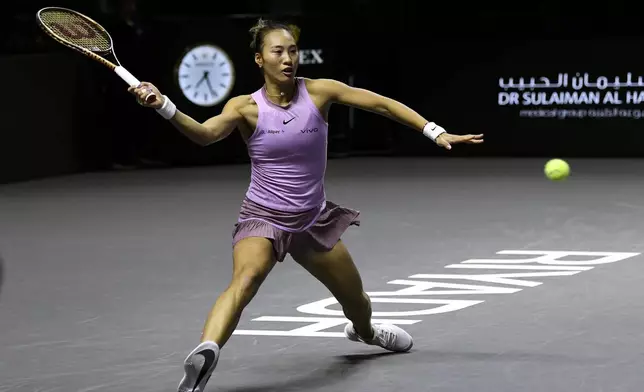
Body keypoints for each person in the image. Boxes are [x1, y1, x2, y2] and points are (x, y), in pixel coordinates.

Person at [129, 18, 483, 392]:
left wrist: (434, 130)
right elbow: (204, 135)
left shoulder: (319, 92)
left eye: (293, 51)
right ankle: (205, 353)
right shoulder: (245, 108)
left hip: (313, 220)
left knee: (357, 302)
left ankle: (365, 332)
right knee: (244, 281)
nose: (288, 59)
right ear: (258, 59)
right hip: (262, 218)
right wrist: (164, 105)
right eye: (277, 51)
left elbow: (381, 105)